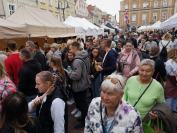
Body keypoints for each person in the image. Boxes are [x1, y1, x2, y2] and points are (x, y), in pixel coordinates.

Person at [67, 41, 90, 128]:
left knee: (81, 104)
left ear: (75, 48)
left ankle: (84, 123)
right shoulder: (85, 55)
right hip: (84, 83)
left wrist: (69, 73)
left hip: (79, 85)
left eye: (70, 48)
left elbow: (76, 76)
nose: (70, 50)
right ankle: (84, 118)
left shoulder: (77, 60)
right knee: (83, 104)